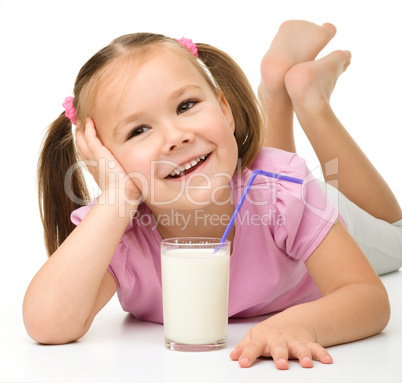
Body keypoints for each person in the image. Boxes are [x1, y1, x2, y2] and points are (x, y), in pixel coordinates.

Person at [23, 20, 402, 370]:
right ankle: (277, 88)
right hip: (260, 186)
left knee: (396, 234)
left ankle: (310, 100)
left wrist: (299, 324)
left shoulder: (287, 194)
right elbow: (47, 324)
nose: (176, 137)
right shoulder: (116, 235)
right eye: (138, 130)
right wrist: (117, 197)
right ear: (104, 158)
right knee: (260, 176)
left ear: (225, 108)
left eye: (186, 106)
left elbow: (367, 297)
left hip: (315, 209)